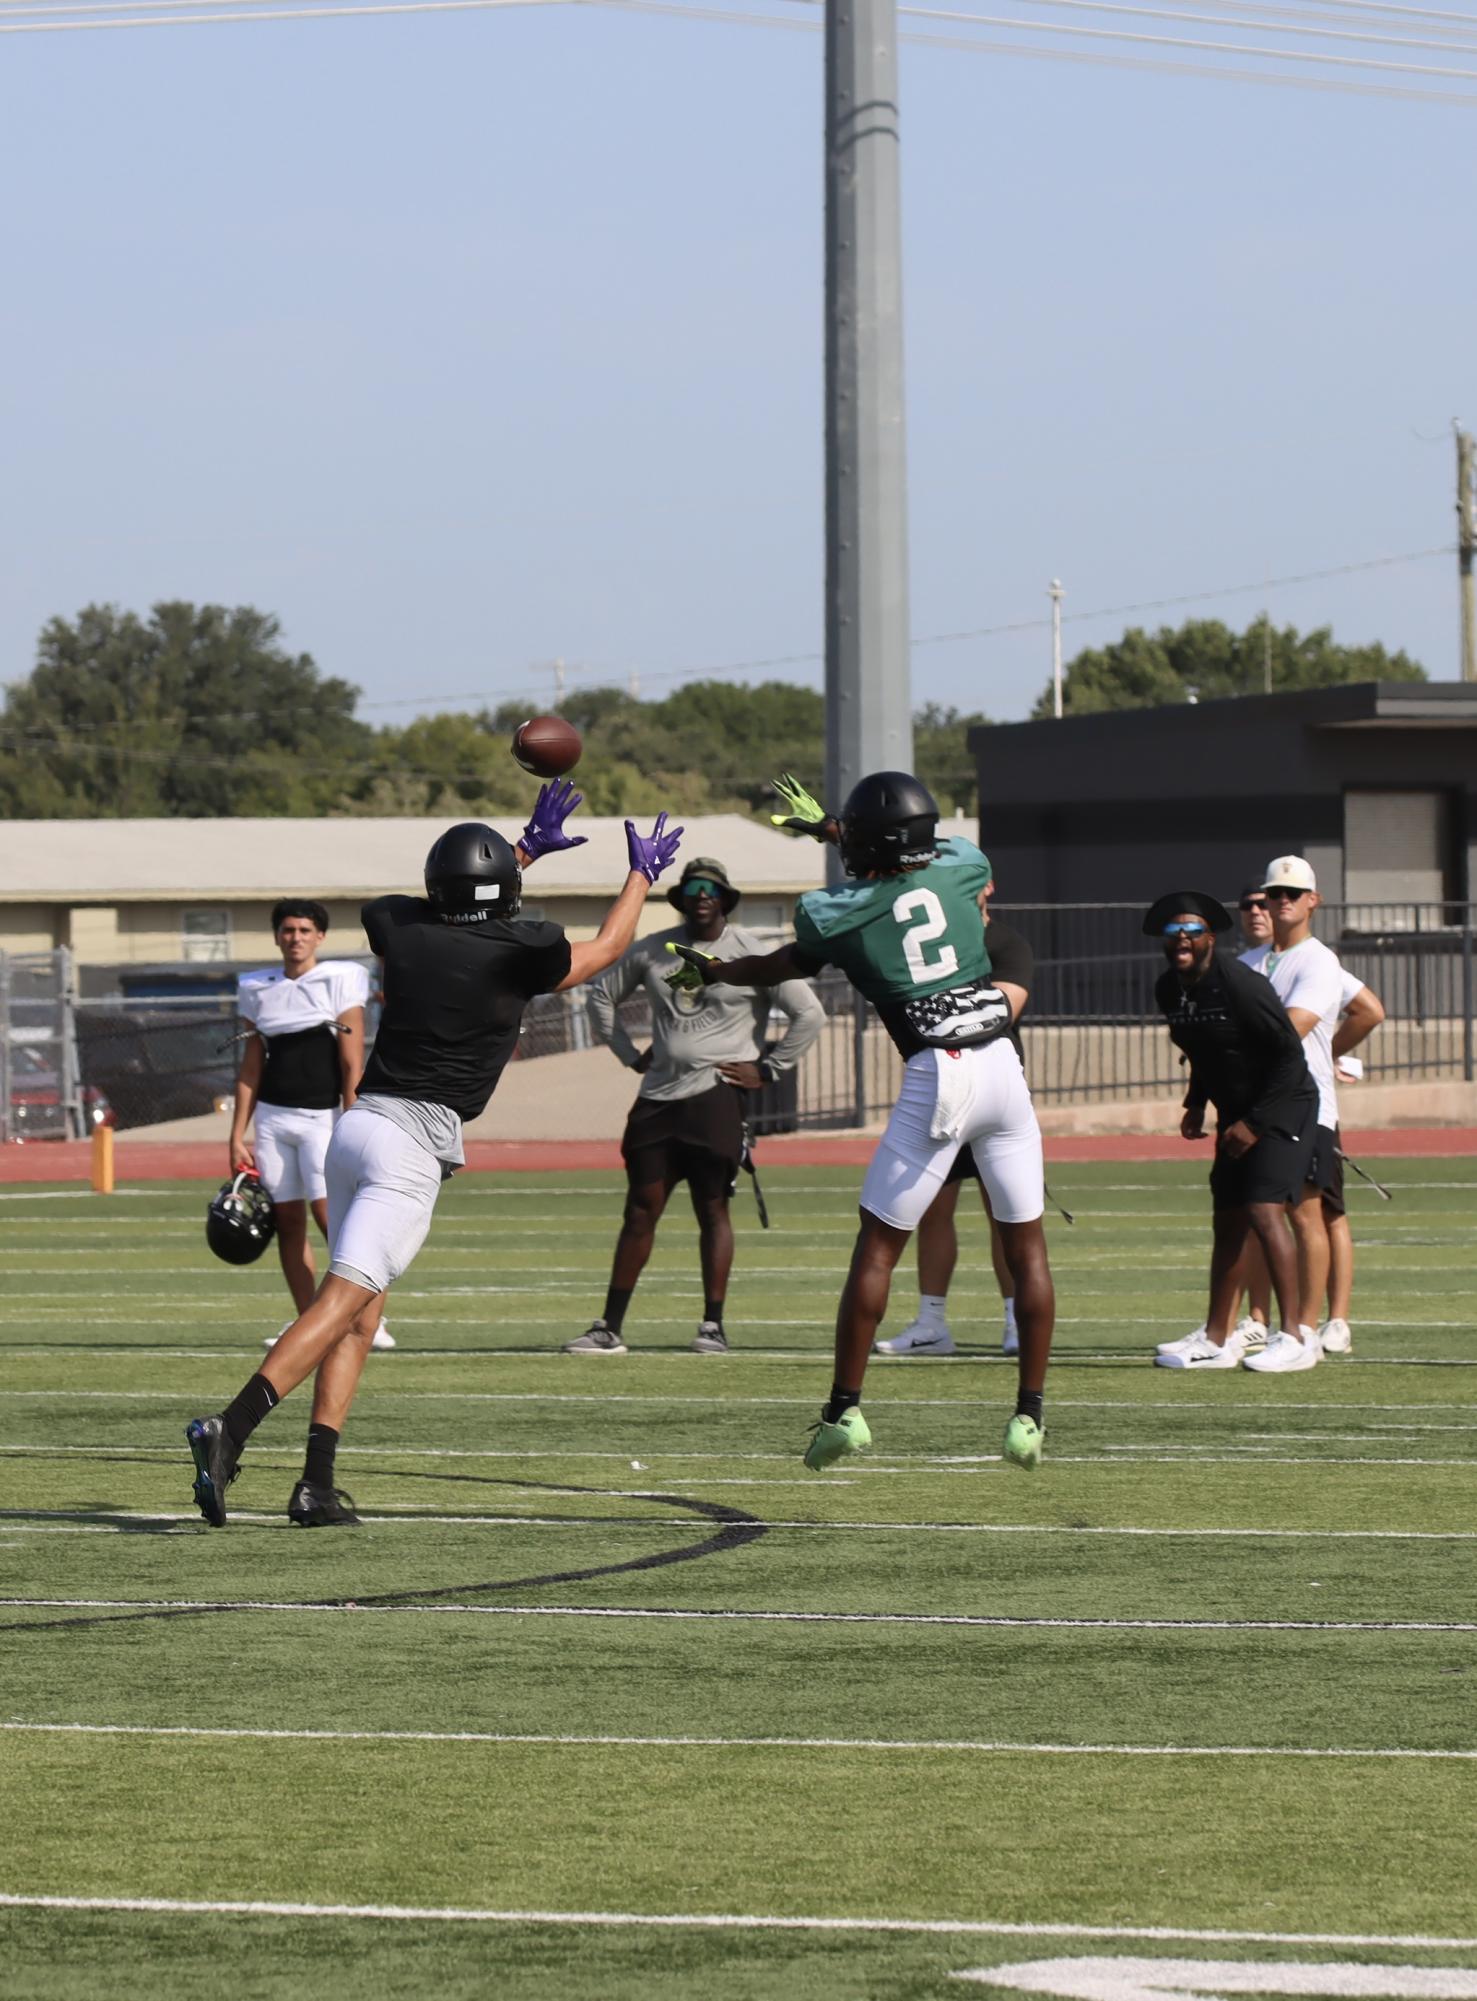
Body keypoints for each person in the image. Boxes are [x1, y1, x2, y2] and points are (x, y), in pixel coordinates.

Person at [184, 787, 683, 1529]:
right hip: (410, 1145)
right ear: (504, 897)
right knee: (343, 1302)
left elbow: (440, 907)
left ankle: (316, 1484)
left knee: (359, 1316)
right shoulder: (522, 947)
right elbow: (605, 949)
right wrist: (640, 874)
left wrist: (520, 851)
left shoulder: (404, 930)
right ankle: (232, 1426)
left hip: (356, 1131)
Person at [669, 771, 1054, 1472]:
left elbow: (786, 961)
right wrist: (839, 830)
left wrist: (717, 971)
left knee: (877, 1248)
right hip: (1003, 1069)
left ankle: (843, 1409)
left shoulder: (833, 909)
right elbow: (915, 861)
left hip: (936, 1072)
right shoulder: (964, 864)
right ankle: (1029, 1414)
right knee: (1025, 1247)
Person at [572, 856, 824, 1355]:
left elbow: (808, 1014)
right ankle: (609, 1327)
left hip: (716, 1098)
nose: (702, 894)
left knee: (713, 1209)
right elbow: (599, 994)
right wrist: (629, 1054)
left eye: (711, 887)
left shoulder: (752, 952)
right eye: (693, 887)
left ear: (725, 898)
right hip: (658, 1099)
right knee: (640, 1212)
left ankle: (712, 1326)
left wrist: (769, 1068)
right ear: (682, 897)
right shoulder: (652, 952)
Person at [1148, 889, 1319, 1373]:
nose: (1182, 938)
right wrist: (1195, 1103)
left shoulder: (1240, 985)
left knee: (1265, 1211)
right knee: (1227, 1220)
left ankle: (1294, 1336)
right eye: (1172, 931)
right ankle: (1216, 1339)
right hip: (1236, 1115)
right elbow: (1204, 1050)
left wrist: (1256, 1122)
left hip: (1284, 1107)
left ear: (1210, 938)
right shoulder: (1169, 989)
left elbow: (1290, 1057)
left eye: (1192, 931)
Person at [874, 876, 1035, 1358]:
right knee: (933, 1210)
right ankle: (931, 1323)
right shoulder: (938, 944)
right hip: (943, 1089)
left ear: (989, 885)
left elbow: (1004, 1010)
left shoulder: (1005, 942)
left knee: (1003, 1213)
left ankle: (1014, 1320)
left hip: (989, 1088)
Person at [229, 900, 393, 1353]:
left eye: (304, 930)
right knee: (288, 1221)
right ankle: (308, 1321)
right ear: (277, 936)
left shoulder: (340, 980)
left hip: (322, 1117)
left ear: (319, 936)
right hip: (272, 1117)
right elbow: (249, 1066)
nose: (295, 937)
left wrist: (354, 1119)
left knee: (334, 1220)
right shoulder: (256, 988)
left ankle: (369, 1317)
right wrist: (236, 1133)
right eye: (287, 930)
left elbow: (351, 1061)